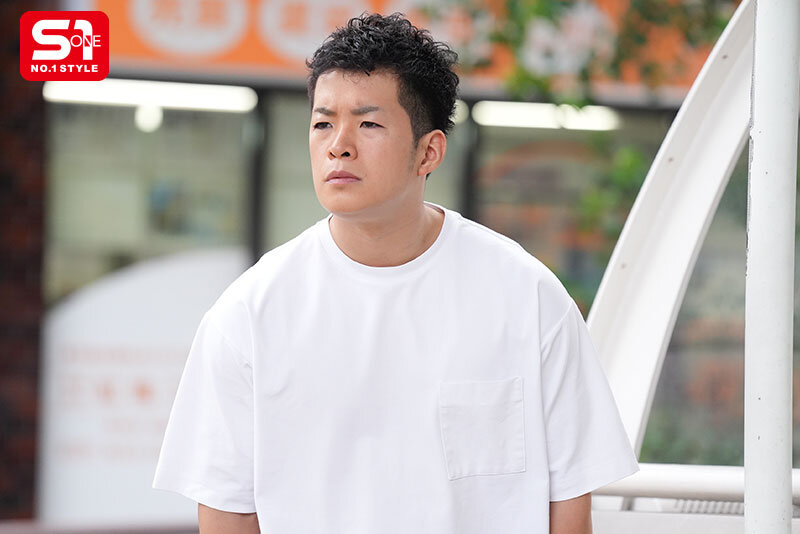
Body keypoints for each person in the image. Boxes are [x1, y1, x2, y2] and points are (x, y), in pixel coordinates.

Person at [152, 12, 638, 534]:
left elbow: (569, 500)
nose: (339, 144)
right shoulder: (250, 312)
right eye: (322, 123)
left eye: (368, 124)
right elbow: (226, 507)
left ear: (428, 151)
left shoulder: (527, 295)